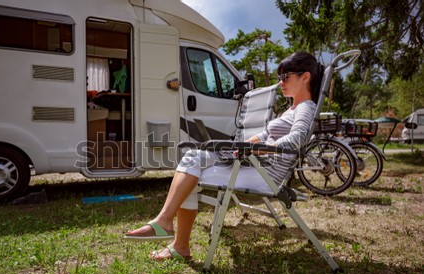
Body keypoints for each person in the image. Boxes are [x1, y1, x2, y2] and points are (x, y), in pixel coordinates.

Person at [125, 51, 324, 261]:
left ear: (305, 77)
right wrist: (238, 146)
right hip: (255, 165)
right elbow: (265, 134)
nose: (280, 82)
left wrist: (257, 150)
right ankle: (171, 233)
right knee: (194, 159)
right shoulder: (292, 109)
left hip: (266, 175)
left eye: (285, 77)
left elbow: (297, 140)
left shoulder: (305, 108)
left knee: (191, 167)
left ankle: (171, 233)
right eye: (279, 77)